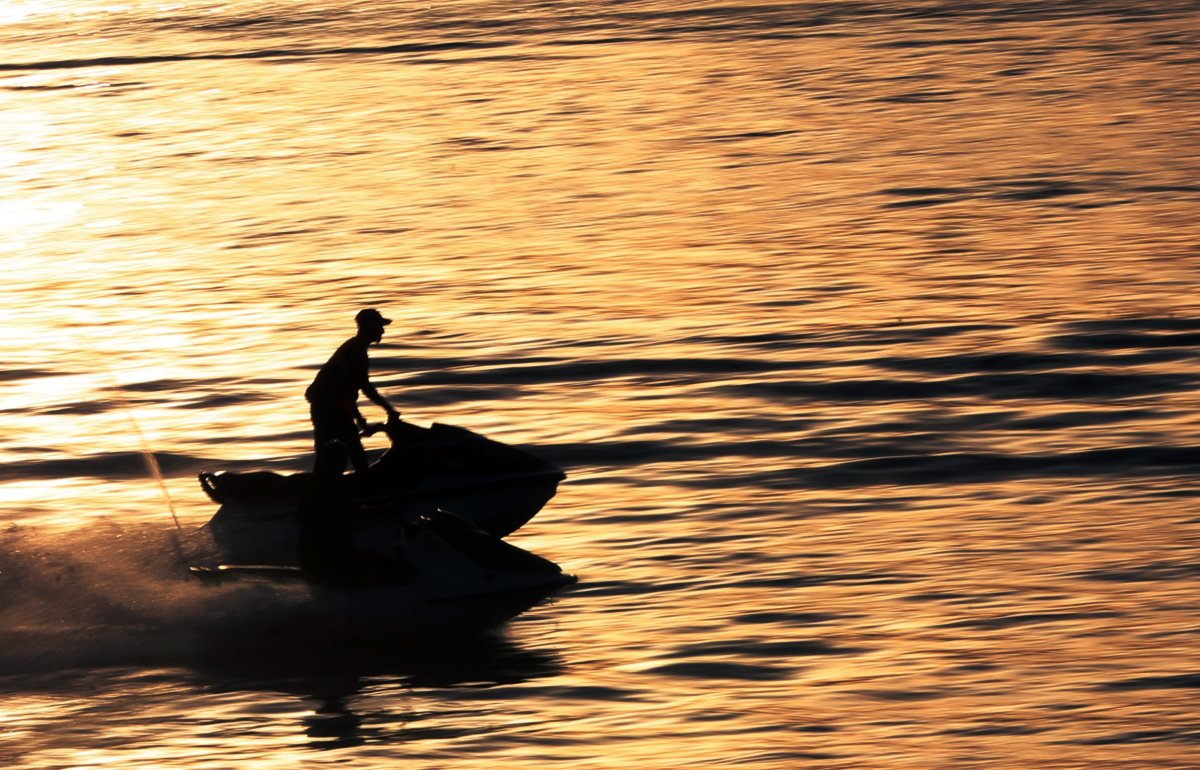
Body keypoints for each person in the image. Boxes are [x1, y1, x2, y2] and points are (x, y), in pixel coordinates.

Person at [305, 308, 399, 474]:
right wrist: (361, 419)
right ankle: (361, 490)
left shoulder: (355, 348)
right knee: (355, 452)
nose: (383, 330)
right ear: (369, 328)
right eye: (379, 326)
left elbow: (363, 386)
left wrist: (386, 409)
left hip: (328, 406)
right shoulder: (355, 353)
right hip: (330, 408)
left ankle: (322, 487)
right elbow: (344, 391)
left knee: (326, 453)